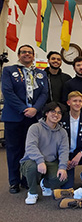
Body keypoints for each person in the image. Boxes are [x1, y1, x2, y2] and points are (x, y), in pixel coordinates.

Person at [2, 44, 48, 194]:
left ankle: (26, 179)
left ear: (33, 55)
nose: (26, 54)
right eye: (23, 52)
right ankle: (14, 182)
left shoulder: (41, 73)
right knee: (14, 150)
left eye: (29, 52)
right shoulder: (9, 71)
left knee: (31, 150)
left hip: (34, 118)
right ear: (19, 55)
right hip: (14, 117)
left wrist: (35, 109)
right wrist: (23, 109)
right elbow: (7, 92)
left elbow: (44, 94)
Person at [20, 102, 69, 204]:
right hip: (32, 160)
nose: (56, 115)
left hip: (51, 161)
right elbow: (31, 146)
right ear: (46, 113)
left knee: (62, 179)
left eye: (59, 113)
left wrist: (62, 167)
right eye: (53, 111)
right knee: (32, 167)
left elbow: (64, 151)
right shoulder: (35, 127)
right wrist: (40, 161)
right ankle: (32, 192)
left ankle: (45, 183)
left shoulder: (62, 132)